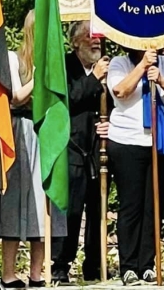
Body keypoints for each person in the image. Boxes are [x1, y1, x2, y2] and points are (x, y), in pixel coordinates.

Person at [0, 11, 68, 288]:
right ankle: (8, 272)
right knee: (15, 201)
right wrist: (41, 77)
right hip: (19, 132)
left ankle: (37, 272)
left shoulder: (57, 62)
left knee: (42, 201)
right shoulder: (12, 58)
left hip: (46, 131)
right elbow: (16, 97)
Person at [107, 42, 164, 285]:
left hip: (161, 141)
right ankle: (129, 266)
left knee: (154, 205)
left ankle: (147, 264)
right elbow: (120, 91)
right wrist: (142, 66)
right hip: (127, 141)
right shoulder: (119, 63)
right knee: (132, 204)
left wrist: (161, 79)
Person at [51, 21, 111, 285]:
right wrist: (93, 78)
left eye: (97, 36)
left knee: (98, 210)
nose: (95, 40)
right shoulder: (65, 66)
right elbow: (70, 98)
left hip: (99, 149)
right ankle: (61, 264)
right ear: (75, 42)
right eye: (89, 36)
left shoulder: (109, 68)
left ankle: (94, 264)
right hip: (72, 147)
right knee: (72, 210)